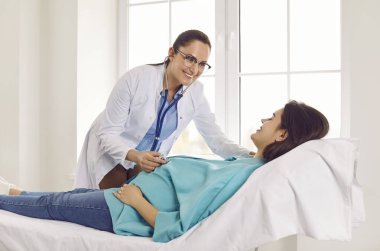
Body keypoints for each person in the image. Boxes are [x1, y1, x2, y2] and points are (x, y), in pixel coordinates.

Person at [0, 101, 329, 243]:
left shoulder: (242, 176)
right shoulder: (243, 163)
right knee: (64, 198)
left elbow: (181, 227)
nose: (263, 120)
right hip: (121, 200)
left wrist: (136, 200)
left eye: (271, 118)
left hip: (124, 209)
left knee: (50, 208)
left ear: (283, 134)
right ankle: (13, 192)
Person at [75, 29, 251, 189]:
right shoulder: (136, 79)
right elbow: (107, 134)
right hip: (111, 150)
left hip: (145, 161)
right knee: (111, 208)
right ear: (172, 53)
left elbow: (216, 140)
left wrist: (252, 154)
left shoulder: (196, 93)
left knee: (131, 213)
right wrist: (136, 156)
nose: (195, 69)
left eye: (202, 64)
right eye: (190, 59)